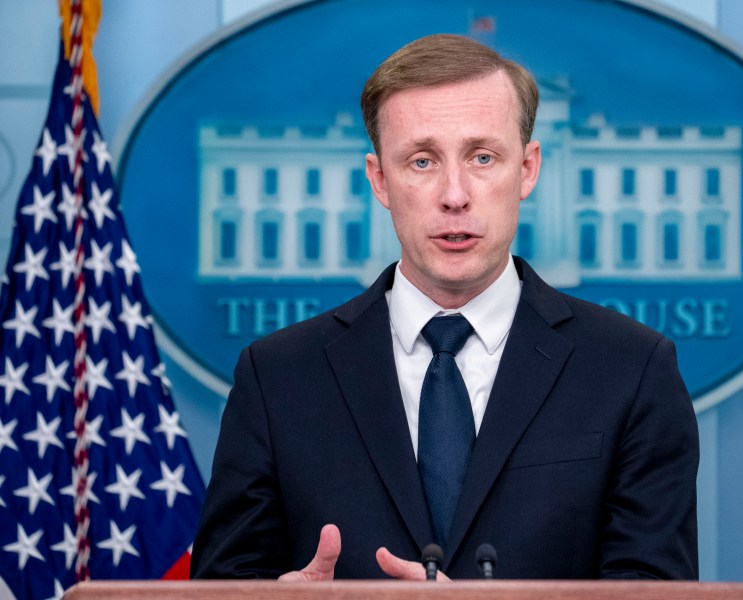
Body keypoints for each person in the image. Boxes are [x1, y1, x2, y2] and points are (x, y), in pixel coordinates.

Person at [191, 33, 699, 581]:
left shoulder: (632, 369)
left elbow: (656, 594)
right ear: (380, 179)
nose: (454, 194)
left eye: (482, 157)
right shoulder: (278, 377)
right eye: (422, 161)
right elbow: (221, 587)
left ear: (527, 169)